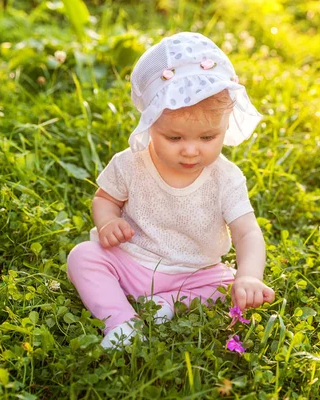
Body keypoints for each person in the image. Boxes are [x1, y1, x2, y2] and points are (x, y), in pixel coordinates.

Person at [67, 32, 275, 349]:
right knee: (83, 257)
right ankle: (122, 323)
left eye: (207, 138)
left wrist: (248, 276)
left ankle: (167, 304)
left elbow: (246, 232)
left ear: (226, 124)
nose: (191, 151)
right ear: (150, 123)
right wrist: (107, 222)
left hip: (195, 273)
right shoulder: (130, 164)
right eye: (174, 138)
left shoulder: (226, 178)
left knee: (224, 284)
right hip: (132, 262)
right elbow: (104, 199)